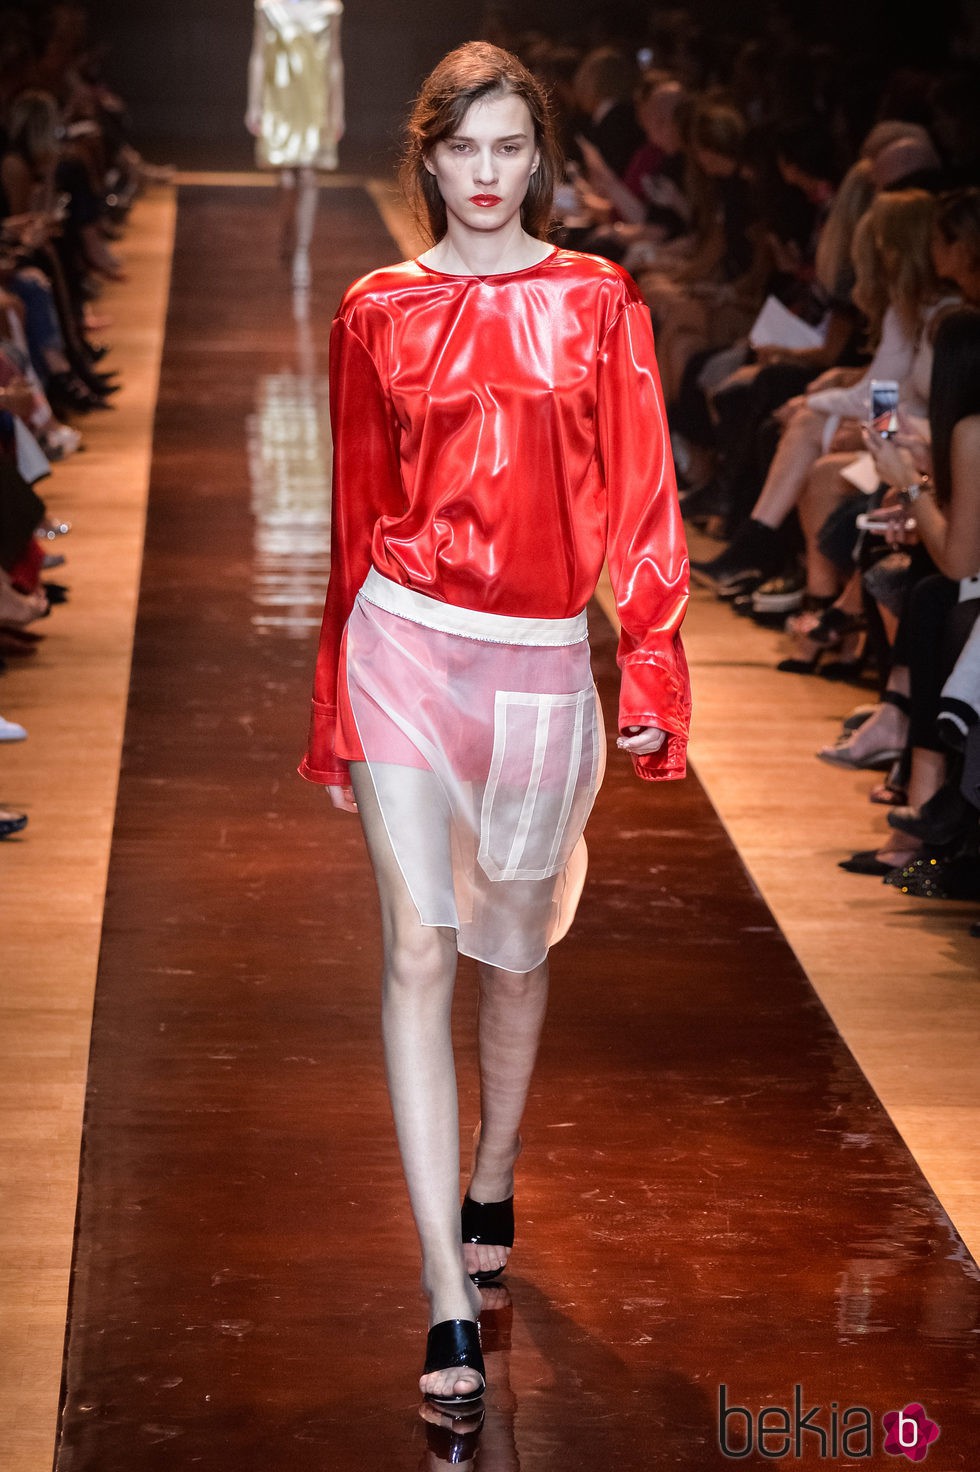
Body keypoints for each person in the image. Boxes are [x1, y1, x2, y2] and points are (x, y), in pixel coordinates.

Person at [298, 42, 690, 1410]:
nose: (484, 173)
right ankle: (444, 1297)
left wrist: (656, 667)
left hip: (534, 663)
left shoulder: (598, 302)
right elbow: (355, 516)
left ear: (540, 158)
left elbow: (642, 499)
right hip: (403, 641)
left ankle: (494, 1173)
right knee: (417, 948)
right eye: (463, 147)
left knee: (511, 953)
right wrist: (329, 709)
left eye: (509, 147)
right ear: (430, 156)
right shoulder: (375, 310)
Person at [245, 0, 344, 289]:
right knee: (286, 179)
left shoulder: (329, 9)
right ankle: (288, 230)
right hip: (280, 102)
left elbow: (334, 61)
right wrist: (254, 104)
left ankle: (302, 250)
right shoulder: (267, 7)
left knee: (309, 175)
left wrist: (337, 110)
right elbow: (259, 55)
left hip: (314, 102)